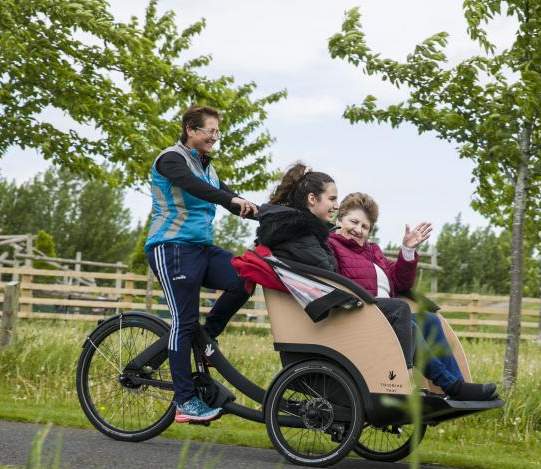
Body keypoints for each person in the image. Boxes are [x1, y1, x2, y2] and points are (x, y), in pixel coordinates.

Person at [146, 105, 258, 423]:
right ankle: (185, 401)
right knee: (184, 321)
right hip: (171, 249)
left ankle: (207, 336)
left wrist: (278, 216)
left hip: (201, 249)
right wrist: (229, 200)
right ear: (190, 130)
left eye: (217, 132)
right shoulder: (171, 159)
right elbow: (199, 190)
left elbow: (230, 198)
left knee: (245, 275)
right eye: (210, 130)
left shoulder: (207, 167)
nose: (214, 137)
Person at [328, 192, 496, 402]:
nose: (358, 230)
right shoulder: (332, 247)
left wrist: (407, 251)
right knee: (407, 318)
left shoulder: (372, 252)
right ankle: (451, 386)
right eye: (354, 221)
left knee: (430, 321)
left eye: (365, 227)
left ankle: (459, 385)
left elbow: (400, 282)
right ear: (339, 219)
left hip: (387, 316)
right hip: (361, 317)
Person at [255, 163, 416, 373]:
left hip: (334, 306)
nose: (335, 205)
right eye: (332, 199)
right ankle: (403, 379)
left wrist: (407, 252)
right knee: (399, 309)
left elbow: (328, 270)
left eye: (365, 226)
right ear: (313, 199)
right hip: (331, 313)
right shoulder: (300, 234)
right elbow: (329, 274)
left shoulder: (307, 233)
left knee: (411, 320)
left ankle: (440, 383)